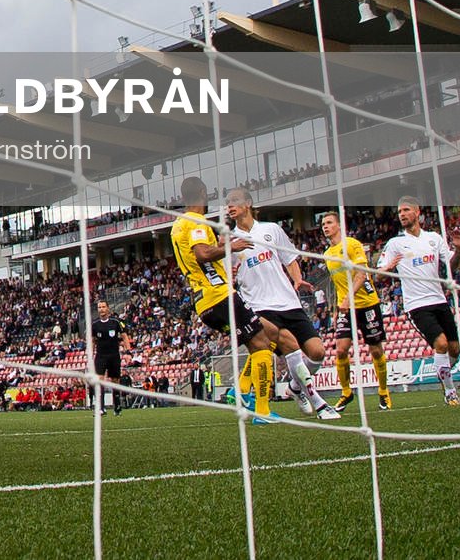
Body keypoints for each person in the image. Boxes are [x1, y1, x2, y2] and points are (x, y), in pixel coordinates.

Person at [168, 177, 278, 422]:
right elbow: (202, 254)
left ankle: (240, 391)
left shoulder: (178, 225)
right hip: (219, 295)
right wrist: (233, 247)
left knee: (267, 334)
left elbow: (198, 251)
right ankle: (261, 410)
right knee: (262, 344)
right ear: (203, 193)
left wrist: (220, 243)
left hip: (204, 302)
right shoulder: (196, 221)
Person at [223, 189, 339, 419]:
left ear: (248, 204)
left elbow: (289, 258)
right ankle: (319, 403)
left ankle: (296, 389)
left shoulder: (271, 230)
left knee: (317, 352)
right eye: (227, 203)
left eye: (235, 201)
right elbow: (226, 278)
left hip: (288, 301)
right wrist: (232, 274)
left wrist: (297, 279)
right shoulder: (228, 241)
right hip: (259, 305)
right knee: (289, 344)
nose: (230, 206)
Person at [375, 197, 460, 405]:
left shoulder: (434, 238)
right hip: (417, 305)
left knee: (455, 350)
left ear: (417, 212)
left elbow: (452, 267)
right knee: (440, 344)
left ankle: (442, 372)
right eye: (399, 212)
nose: (401, 214)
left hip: (439, 301)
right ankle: (450, 392)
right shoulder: (395, 243)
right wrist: (386, 270)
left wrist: (459, 249)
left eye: (405, 210)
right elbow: (377, 274)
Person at [321, 211, 392, 412]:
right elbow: (337, 283)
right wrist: (336, 307)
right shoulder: (327, 254)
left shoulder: (352, 245)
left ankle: (383, 391)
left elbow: (362, 275)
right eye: (323, 224)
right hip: (346, 307)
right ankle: (346, 392)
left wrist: (347, 298)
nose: (325, 226)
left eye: (329, 223)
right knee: (341, 349)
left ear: (339, 225)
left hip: (367, 304)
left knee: (376, 350)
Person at [89, 298, 128, 417]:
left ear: (108, 308)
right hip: (101, 356)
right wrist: (90, 354)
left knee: (115, 381)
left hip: (114, 355)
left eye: (103, 307)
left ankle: (117, 407)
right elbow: (92, 341)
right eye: (99, 307)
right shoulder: (94, 325)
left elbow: (125, 337)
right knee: (99, 380)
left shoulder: (116, 322)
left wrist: (128, 351)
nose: (101, 309)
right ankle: (101, 408)